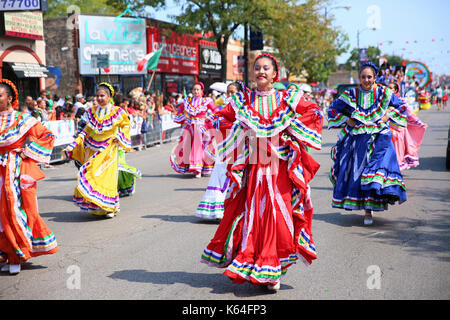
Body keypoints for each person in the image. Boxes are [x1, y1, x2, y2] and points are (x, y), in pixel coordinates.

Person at [200, 54, 323, 290]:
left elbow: (312, 113)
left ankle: (273, 266)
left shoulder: (286, 98)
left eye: (266, 68)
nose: (261, 71)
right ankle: (260, 264)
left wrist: (290, 132)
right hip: (254, 167)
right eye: (257, 68)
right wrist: (227, 127)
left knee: (279, 213)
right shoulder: (243, 100)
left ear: (275, 74)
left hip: (280, 167)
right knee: (255, 215)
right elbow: (221, 118)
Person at [327, 62, 407, 226]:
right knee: (359, 174)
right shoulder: (351, 94)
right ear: (359, 78)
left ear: (375, 78)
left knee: (375, 175)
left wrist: (387, 116)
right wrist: (346, 119)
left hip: (379, 140)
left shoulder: (384, 93)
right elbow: (333, 109)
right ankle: (367, 211)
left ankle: (371, 207)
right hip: (358, 141)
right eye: (363, 77)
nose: (366, 80)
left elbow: (401, 106)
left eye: (369, 77)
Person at [0, 79, 58, 274]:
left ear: (9, 98)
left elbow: (46, 135)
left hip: (14, 171)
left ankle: (17, 254)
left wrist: (27, 152)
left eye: (0, 95)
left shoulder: (22, 119)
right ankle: (4, 252)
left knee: (12, 210)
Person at [62, 82, 133, 218]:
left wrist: (120, 136)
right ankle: (98, 206)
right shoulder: (92, 111)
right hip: (93, 148)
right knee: (93, 174)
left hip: (109, 149)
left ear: (109, 96)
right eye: (98, 96)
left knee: (108, 178)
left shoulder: (117, 111)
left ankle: (110, 207)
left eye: (102, 96)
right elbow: (87, 129)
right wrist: (75, 143)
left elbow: (126, 125)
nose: (99, 98)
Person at [195, 82, 244, 220]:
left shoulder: (244, 109)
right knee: (220, 176)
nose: (229, 95)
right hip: (224, 147)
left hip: (239, 148)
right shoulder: (223, 108)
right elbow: (212, 120)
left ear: (239, 93)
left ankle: (233, 209)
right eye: (227, 92)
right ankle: (216, 211)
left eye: (232, 92)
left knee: (234, 177)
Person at [170, 82, 218, 178]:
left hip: (202, 128)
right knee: (189, 147)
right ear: (192, 91)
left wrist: (209, 118)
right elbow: (179, 111)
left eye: (198, 89)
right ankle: (195, 168)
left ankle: (199, 168)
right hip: (190, 128)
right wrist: (185, 118)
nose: (196, 91)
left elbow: (216, 110)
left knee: (201, 148)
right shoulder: (187, 101)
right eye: (194, 89)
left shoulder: (206, 101)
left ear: (201, 91)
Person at [388, 82, 428, 170]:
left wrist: (419, 123)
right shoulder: (384, 101)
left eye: (391, 88)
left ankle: (395, 173)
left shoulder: (402, 101)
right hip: (387, 131)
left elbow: (410, 114)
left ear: (396, 90)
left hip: (398, 132)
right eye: (388, 87)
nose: (388, 89)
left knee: (398, 154)